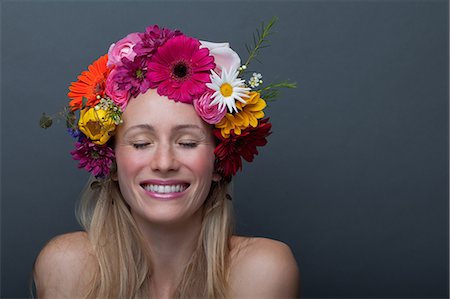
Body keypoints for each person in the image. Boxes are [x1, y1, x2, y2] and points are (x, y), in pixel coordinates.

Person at [34, 21, 299, 298]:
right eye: (141, 143)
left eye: (186, 143)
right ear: (111, 161)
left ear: (219, 161)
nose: (164, 163)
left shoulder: (262, 271)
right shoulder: (66, 266)